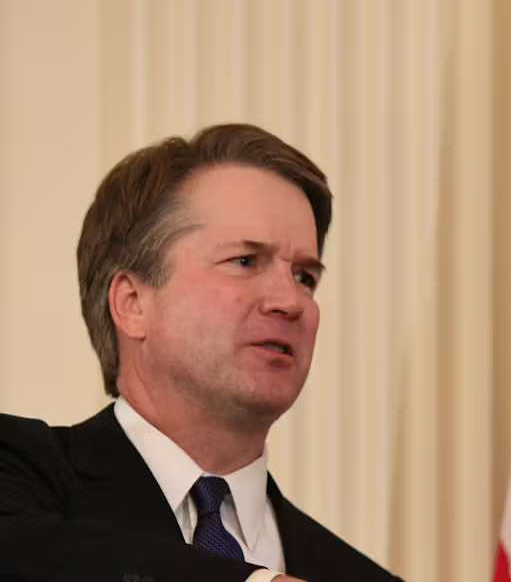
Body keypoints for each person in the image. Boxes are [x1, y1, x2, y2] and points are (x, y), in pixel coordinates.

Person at [0, 123, 403, 582]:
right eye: (245, 261)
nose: (291, 301)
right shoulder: (19, 477)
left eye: (304, 277)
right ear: (132, 303)